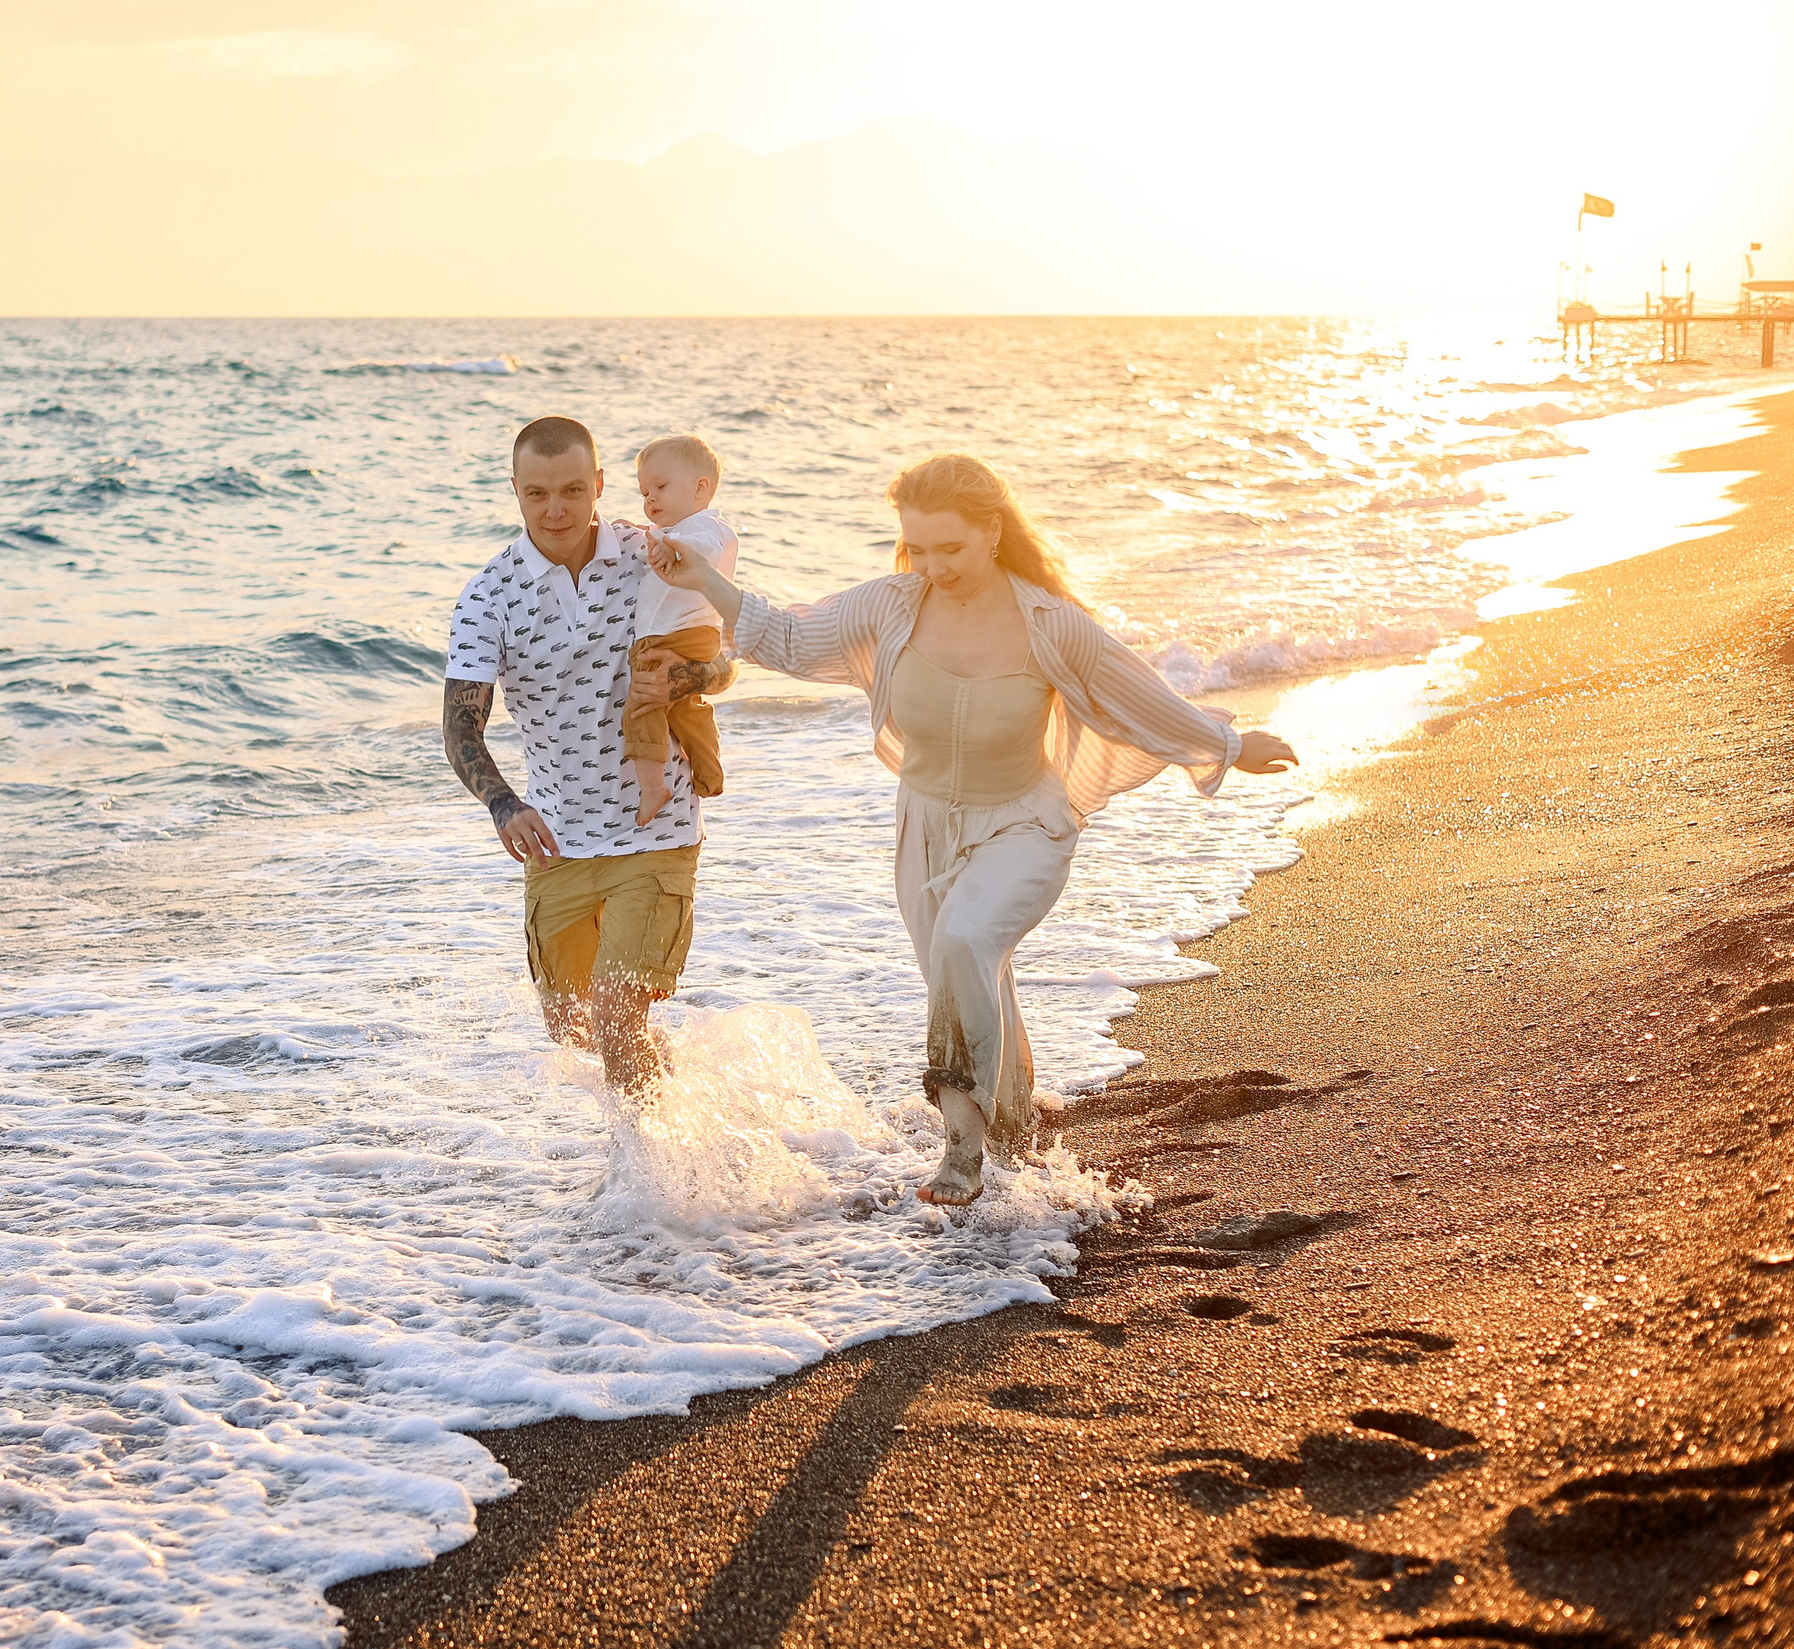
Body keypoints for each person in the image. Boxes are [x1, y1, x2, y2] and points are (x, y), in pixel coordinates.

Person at [643, 450, 1298, 1204]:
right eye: (917, 547)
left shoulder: (1049, 623)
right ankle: (1016, 1125)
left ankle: (962, 1149)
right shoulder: (892, 604)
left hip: (1026, 823)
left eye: (949, 547)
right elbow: (788, 639)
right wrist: (702, 579)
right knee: (966, 969)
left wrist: (1227, 745)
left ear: (992, 532)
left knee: (963, 943)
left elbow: (1137, 693)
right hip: (924, 829)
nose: (932, 564)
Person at [443, 416, 738, 1099]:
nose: (557, 509)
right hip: (557, 842)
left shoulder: (654, 553)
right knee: (572, 1027)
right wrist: (502, 803)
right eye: (538, 493)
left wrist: (689, 679)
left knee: (615, 1017)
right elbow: (462, 727)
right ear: (515, 490)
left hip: (656, 827)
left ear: (600, 485)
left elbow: (726, 657)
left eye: (574, 490)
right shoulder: (489, 593)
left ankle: (648, 1190)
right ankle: (687, 1114)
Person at [619, 434, 738, 827]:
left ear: (700, 488)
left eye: (661, 487)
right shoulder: (684, 531)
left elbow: (701, 551)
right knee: (688, 710)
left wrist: (660, 542)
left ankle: (653, 787)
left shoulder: (705, 529)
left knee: (642, 706)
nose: (650, 499)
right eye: (644, 492)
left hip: (676, 634)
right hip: (693, 634)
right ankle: (708, 772)